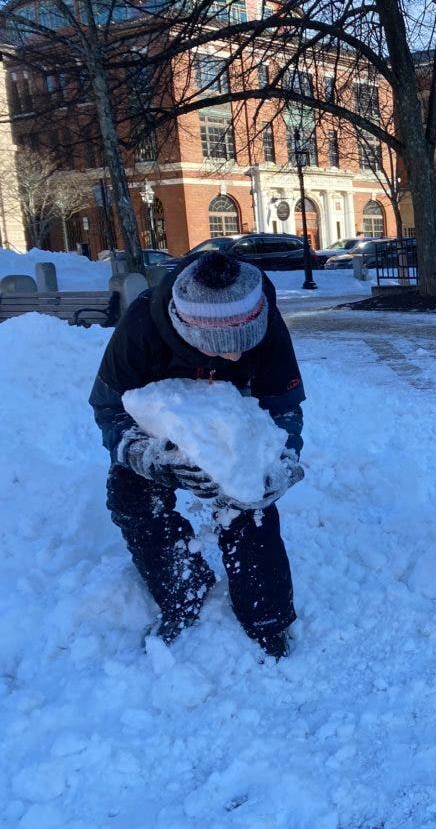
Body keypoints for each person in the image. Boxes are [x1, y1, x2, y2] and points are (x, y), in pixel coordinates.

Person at [89, 250, 307, 660]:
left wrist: (281, 460)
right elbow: (109, 410)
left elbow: (284, 407)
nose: (236, 358)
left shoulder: (267, 320)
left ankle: (267, 618)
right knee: (132, 498)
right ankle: (181, 591)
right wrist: (151, 458)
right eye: (221, 347)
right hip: (159, 432)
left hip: (233, 426)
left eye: (245, 344)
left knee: (249, 503)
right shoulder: (139, 328)